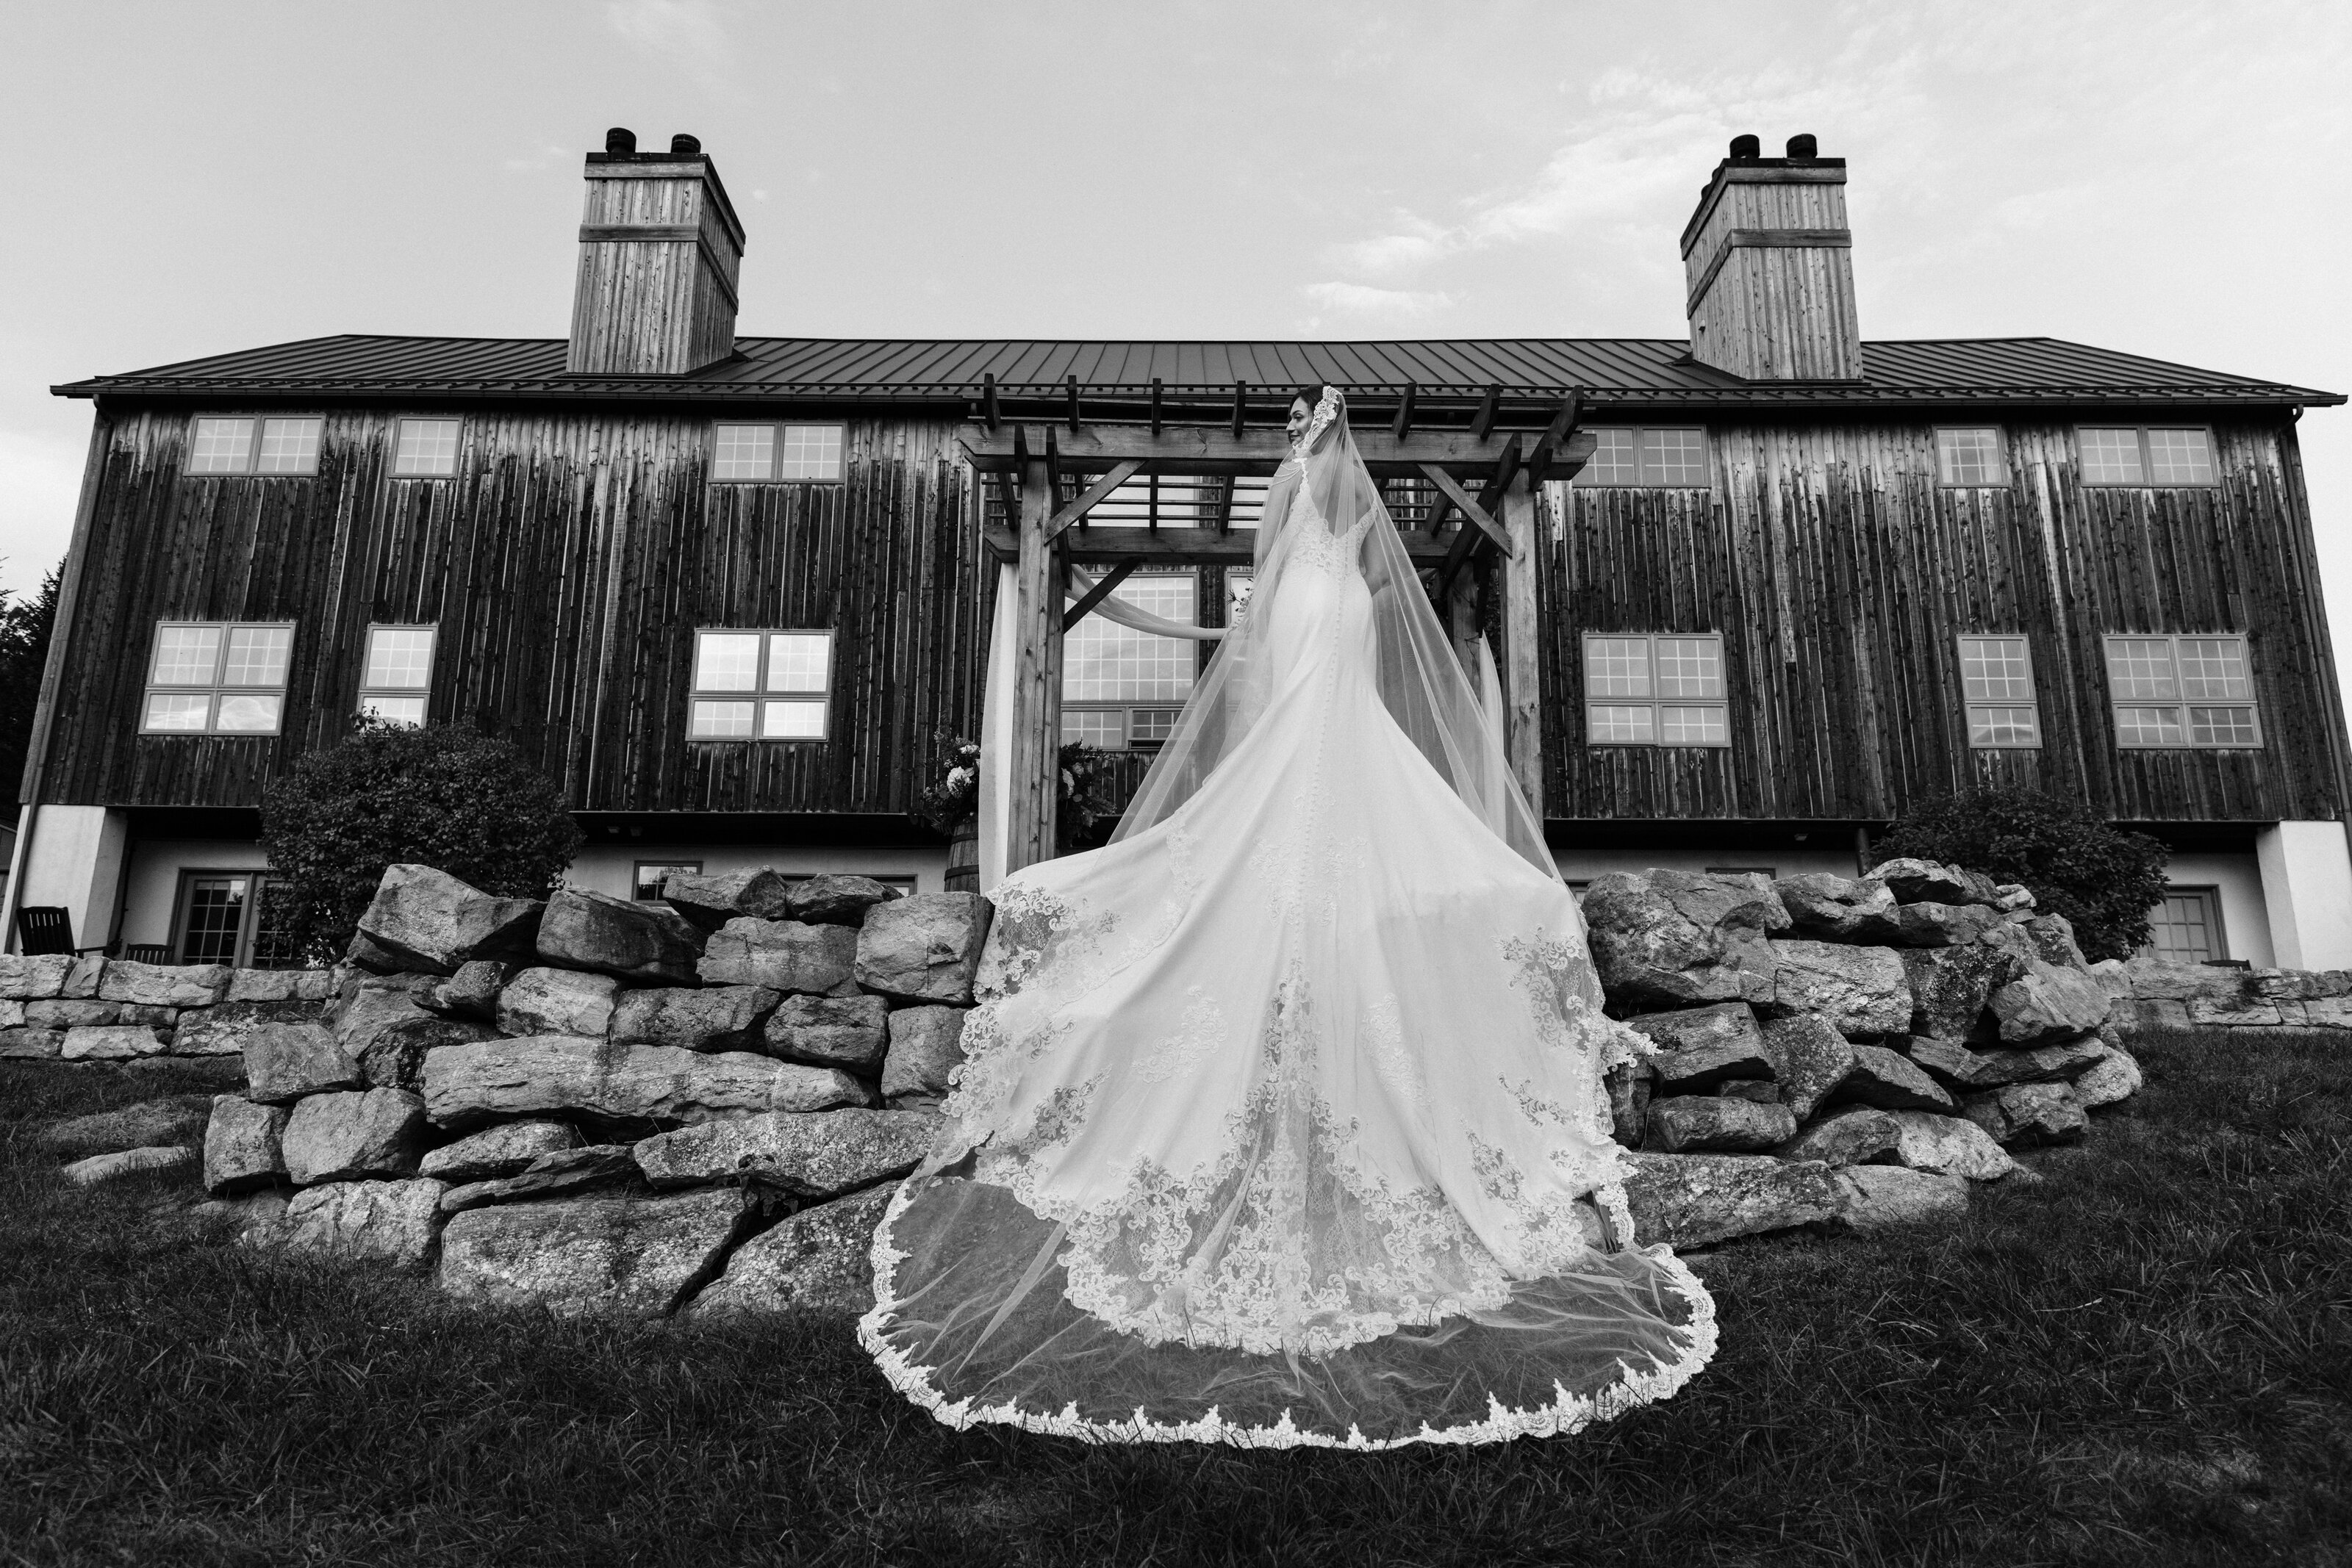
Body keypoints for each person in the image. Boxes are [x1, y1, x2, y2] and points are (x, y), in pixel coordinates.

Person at [859, 386, 1714, 1448]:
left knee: (1487, 899)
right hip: (1302, 765)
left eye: (1336, 455)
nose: (1338, 469)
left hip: (1358, 765)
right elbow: (1263, 684)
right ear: (1304, 468)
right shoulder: (1299, 565)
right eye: (1325, 455)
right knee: (1235, 920)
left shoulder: (1356, 556)